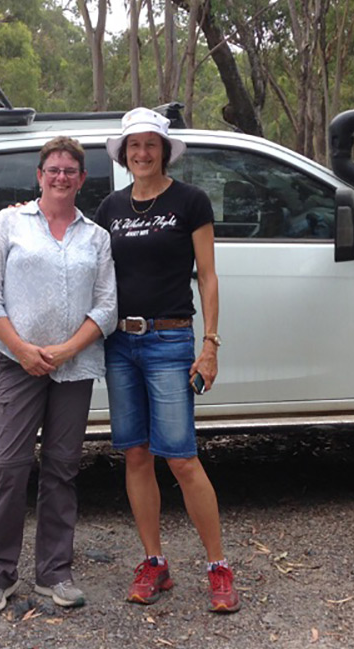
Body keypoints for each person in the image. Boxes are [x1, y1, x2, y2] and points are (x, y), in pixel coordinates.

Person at [93, 107, 240, 614]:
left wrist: (211, 344)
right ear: (123, 153)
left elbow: (208, 276)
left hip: (169, 342)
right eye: (133, 145)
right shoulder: (109, 208)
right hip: (120, 344)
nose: (141, 153)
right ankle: (154, 562)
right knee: (135, 455)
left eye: (150, 144)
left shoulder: (190, 201)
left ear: (164, 149)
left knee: (180, 458)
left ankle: (218, 568)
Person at [0, 136, 118, 614]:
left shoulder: (95, 236)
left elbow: (108, 307)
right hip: (17, 364)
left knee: (60, 470)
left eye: (70, 170)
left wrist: (70, 348)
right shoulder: (10, 223)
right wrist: (22, 350)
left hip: (74, 369)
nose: (61, 177)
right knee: (8, 467)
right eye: (52, 169)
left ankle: (55, 572)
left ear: (81, 179)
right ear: (39, 176)